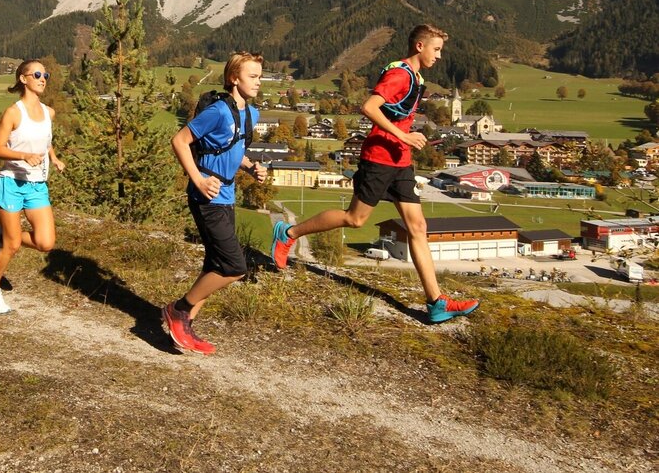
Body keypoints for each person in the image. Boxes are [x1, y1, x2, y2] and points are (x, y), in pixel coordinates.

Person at [270, 24, 479, 325]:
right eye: (436, 49)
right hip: (379, 159)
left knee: (418, 226)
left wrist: (405, 139)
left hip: (401, 161)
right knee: (355, 219)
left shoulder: (417, 77)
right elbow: (368, 107)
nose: (439, 56)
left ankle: (436, 303)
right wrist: (403, 136)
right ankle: (288, 234)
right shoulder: (400, 75)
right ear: (420, 46)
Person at [163, 51, 269, 354]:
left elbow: (233, 149)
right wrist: (198, 180)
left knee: (216, 264)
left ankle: (184, 327)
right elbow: (180, 141)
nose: (258, 82)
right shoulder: (219, 111)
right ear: (234, 78)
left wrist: (250, 167)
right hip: (206, 197)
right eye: (252, 76)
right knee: (234, 267)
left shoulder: (251, 114)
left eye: (260, 77)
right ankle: (178, 310)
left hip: (227, 196)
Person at [0, 59, 65, 314]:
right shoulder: (13, 113)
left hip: (37, 185)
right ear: (23, 79)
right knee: (13, 245)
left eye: (45, 75)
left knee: (45, 242)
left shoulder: (49, 113)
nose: (43, 79)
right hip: (11, 183)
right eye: (37, 74)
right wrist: (23, 156)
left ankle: (1, 235)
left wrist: (54, 157)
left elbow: (45, 139)